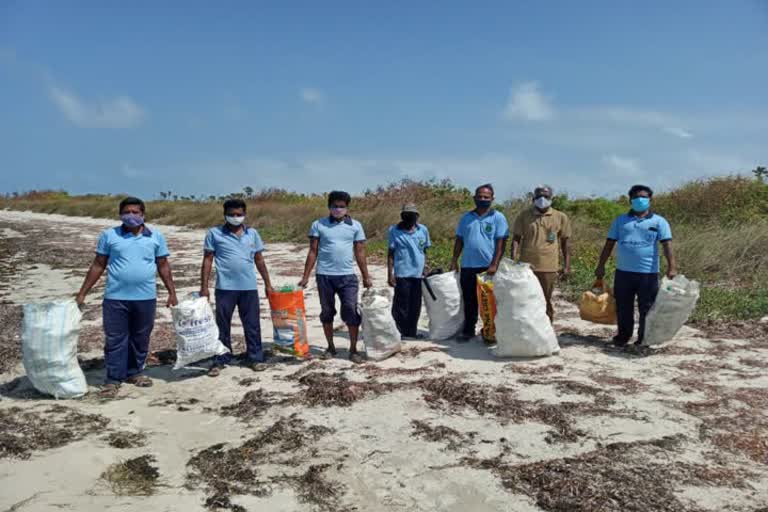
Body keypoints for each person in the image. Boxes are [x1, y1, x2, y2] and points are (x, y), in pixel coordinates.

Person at [75, 197, 178, 398]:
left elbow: (163, 265)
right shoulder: (109, 235)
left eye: (135, 212)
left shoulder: (155, 237)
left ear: (143, 214)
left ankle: (135, 372)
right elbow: (98, 264)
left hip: (146, 298)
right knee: (115, 339)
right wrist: (82, 293)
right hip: (115, 297)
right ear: (120, 214)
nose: (131, 216)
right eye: (127, 212)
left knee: (140, 338)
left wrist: (172, 292)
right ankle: (113, 379)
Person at [595, 184, 678, 347]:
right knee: (623, 306)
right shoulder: (620, 220)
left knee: (646, 308)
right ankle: (623, 336)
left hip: (648, 273)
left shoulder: (659, 221)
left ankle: (643, 339)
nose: (640, 200)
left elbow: (667, 245)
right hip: (623, 273)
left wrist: (672, 267)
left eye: (644, 197)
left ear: (650, 199)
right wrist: (601, 265)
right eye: (636, 197)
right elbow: (609, 244)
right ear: (630, 200)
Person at [200, 199, 275, 376]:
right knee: (222, 325)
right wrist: (204, 287)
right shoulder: (214, 233)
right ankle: (221, 358)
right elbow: (208, 260)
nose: (236, 217)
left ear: (244, 214)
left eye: (239, 214)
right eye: (232, 215)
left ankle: (255, 358)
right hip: (225, 288)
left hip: (248, 287)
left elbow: (259, 259)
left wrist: (268, 283)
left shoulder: (253, 234)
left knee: (252, 324)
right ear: (225, 215)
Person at [298, 190, 373, 363]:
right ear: (329, 207)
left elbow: (360, 252)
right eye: (335, 206)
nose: (338, 209)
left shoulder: (355, 226)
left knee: (351, 310)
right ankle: (330, 347)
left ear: (347, 208)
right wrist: (305, 276)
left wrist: (366, 276)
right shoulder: (318, 224)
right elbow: (313, 251)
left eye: (342, 207)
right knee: (327, 311)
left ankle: (353, 349)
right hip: (324, 276)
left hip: (347, 277)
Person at [450, 183, 509, 341]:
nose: (483, 199)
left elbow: (501, 243)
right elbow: (459, 240)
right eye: (480, 197)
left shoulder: (498, 217)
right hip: (468, 265)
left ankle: (489, 331)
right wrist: (454, 259)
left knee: (489, 302)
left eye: (486, 197)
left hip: (488, 268)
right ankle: (469, 330)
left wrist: (494, 264)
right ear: (474, 198)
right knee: (469, 300)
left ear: (492, 199)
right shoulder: (466, 218)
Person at [511, 185, 572, 322]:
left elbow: (565, 243)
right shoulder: (524, 215)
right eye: (539, 197)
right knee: (525, 297)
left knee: (545, 298)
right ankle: (528, 326)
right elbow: (516, 239)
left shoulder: (561, 217)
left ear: (552, 198)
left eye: (546, 196)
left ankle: (546, 326)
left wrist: (567, 266)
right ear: (533, 198)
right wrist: (513, 259)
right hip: (526, 266)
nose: (542, 199)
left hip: (548, 266)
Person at [387, 204, 431, 339]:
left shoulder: (423, 230)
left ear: (417, 216)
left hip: (418, 274)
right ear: (402, 216)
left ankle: (411, 331)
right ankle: (399, 331)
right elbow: (390, 253)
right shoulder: (394, 230)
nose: (409, 217)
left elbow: (424, 250)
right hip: (402, 273)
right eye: (406, 214)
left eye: (412, 215)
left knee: (415, 304)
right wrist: (390, 274)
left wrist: (425, 266)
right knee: (401, 304)